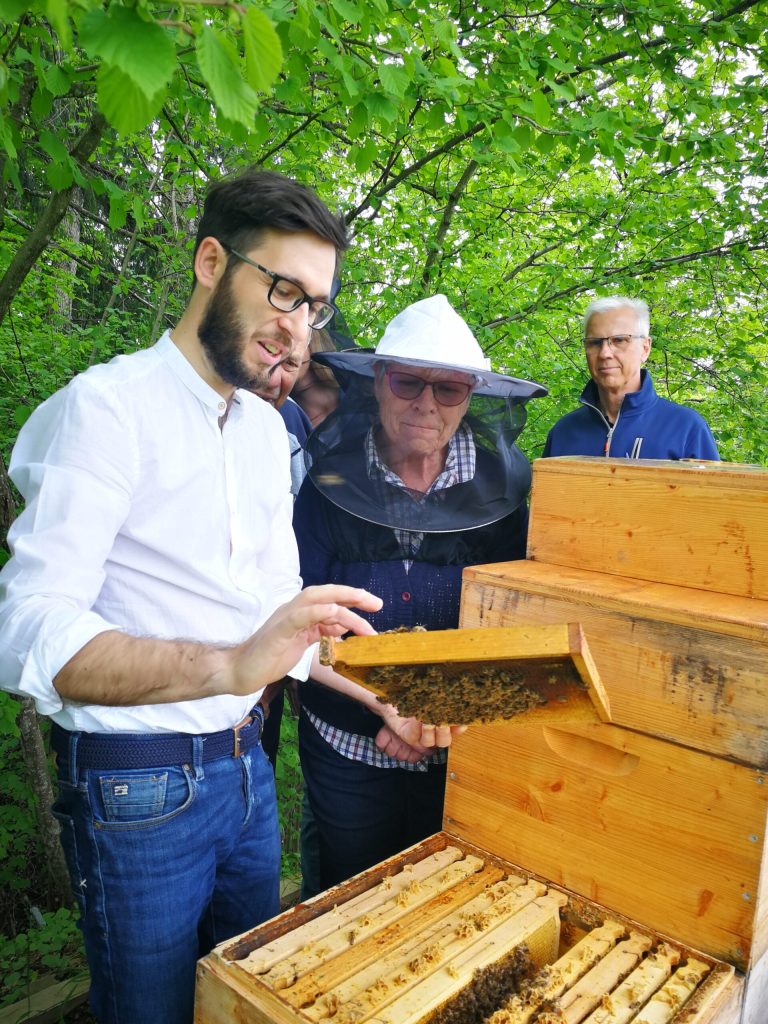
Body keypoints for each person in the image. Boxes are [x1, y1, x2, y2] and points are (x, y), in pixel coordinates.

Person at [0, 168, 387, 1024]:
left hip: (247, 770)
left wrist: (390, 694)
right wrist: (231, 664)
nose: (298, 328)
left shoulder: (265, 431)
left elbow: (282, 616)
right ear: (211, 262)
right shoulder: (105, 409)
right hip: (137, 789)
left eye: (314, 306)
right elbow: (26, 629)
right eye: (282, 291)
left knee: (242, 1002)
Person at [292, 294, 547, 895]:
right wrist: (388, 705)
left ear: (471, 396)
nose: (426, 404)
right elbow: (297, 615)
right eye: (408, 382)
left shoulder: (501, 489)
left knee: (448, 898)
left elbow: (514, 622)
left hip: (462, 745)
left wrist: (433, 711)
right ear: (379, 381)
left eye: (449, 388)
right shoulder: (328, 480)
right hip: (347, 748)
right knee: (350, 897)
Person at [543, 295, 719, 460]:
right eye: (595, 343)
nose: (605, 353)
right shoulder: (563, 433)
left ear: (645, 348)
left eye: (619, 340)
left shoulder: (686, 429)